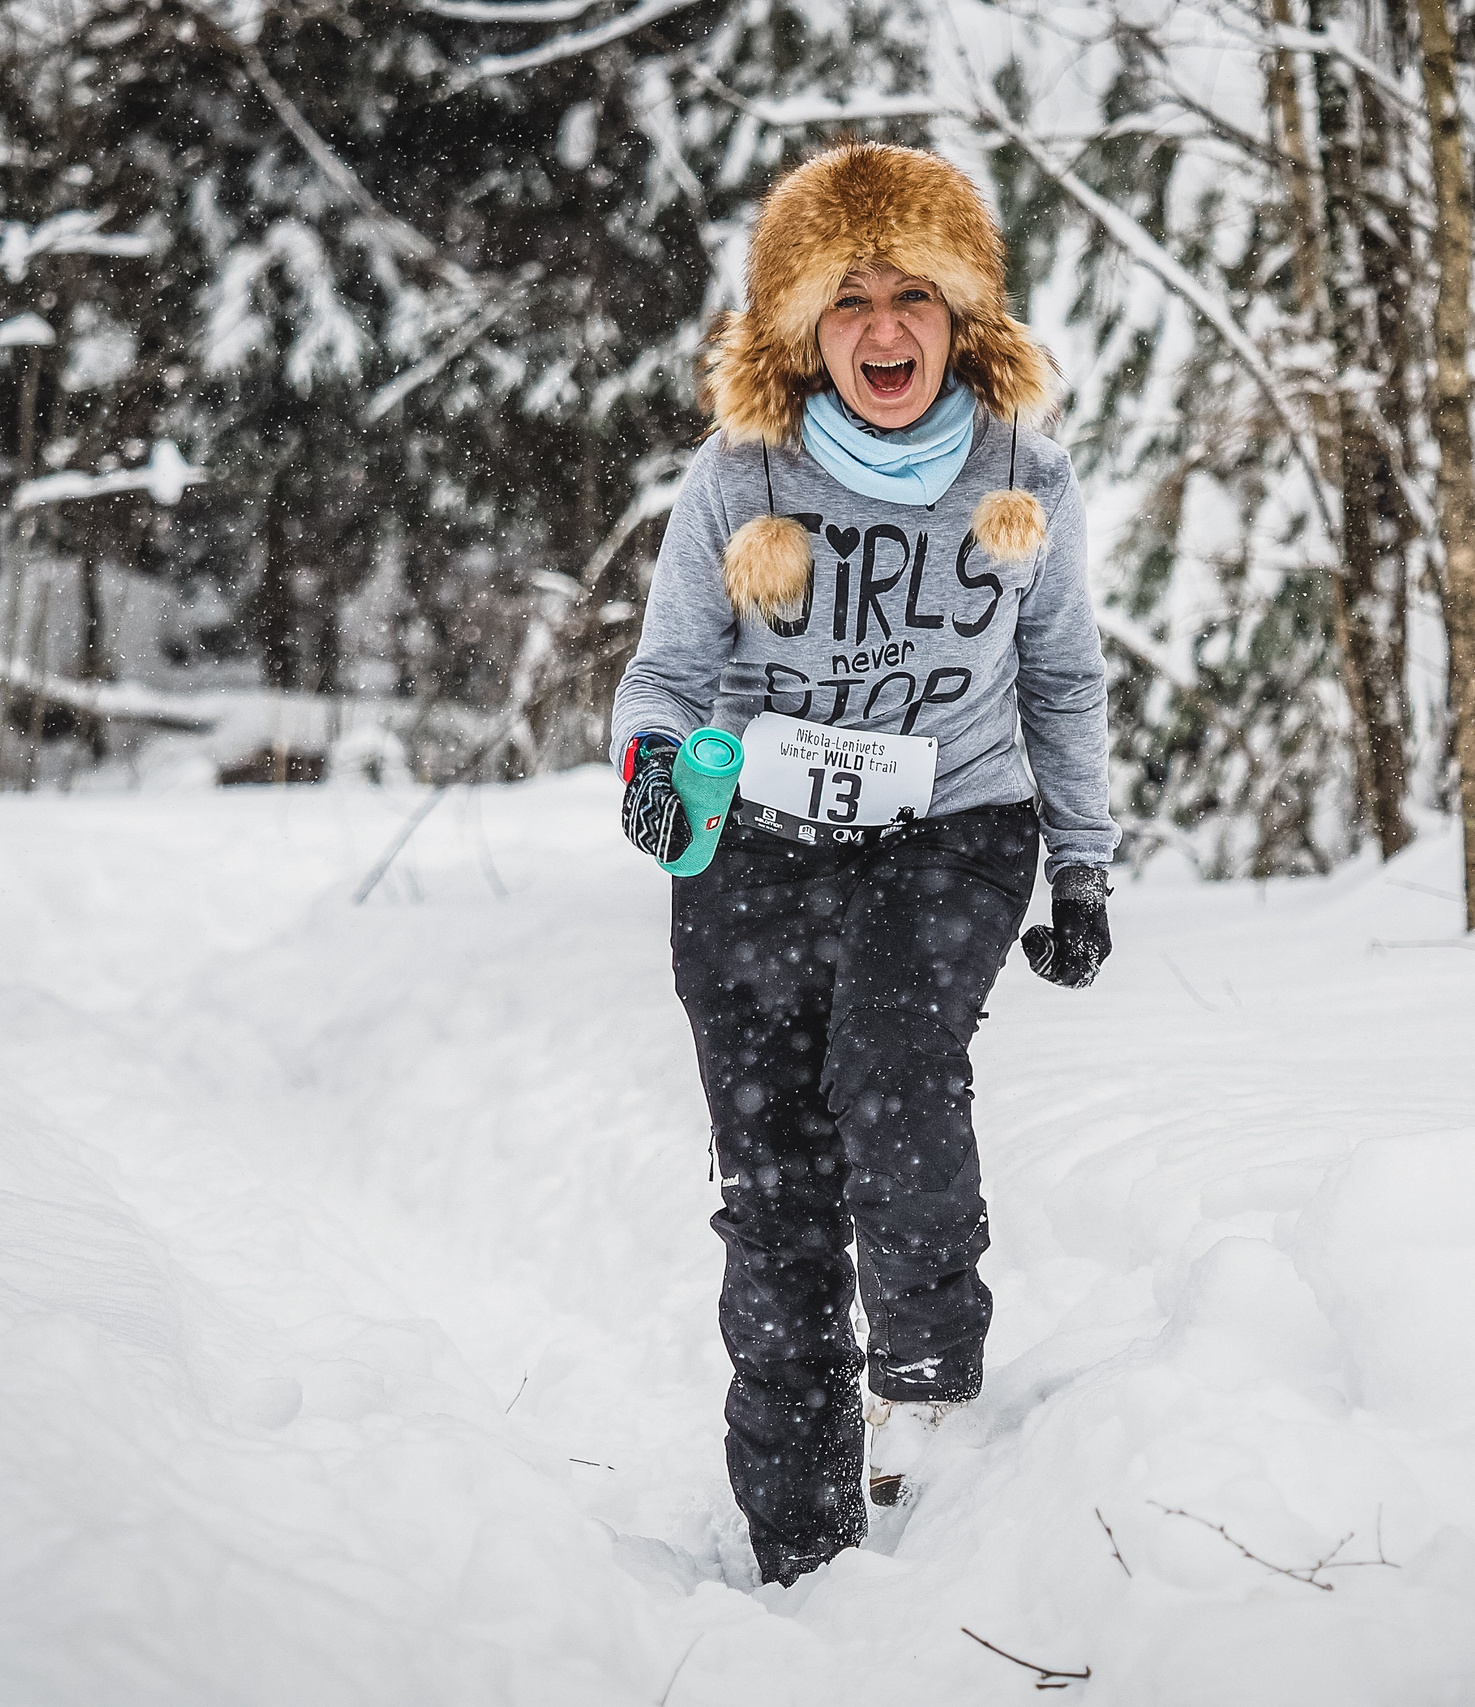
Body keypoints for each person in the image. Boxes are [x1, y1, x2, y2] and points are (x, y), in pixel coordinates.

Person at [608, 141, 1115, 1587]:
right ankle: (802, 1543)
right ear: (800, 326)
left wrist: (1082, 869)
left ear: (965, 318)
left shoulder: (1024, 473)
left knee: (892, 1053)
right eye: (848, 300)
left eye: (912, 295)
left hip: (951, 824)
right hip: (756, 841)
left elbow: (1063, 680)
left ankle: (931, 1373)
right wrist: (654, 776)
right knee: (773, 1187)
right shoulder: (737, 474)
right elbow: (666, 677)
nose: (883, 331)